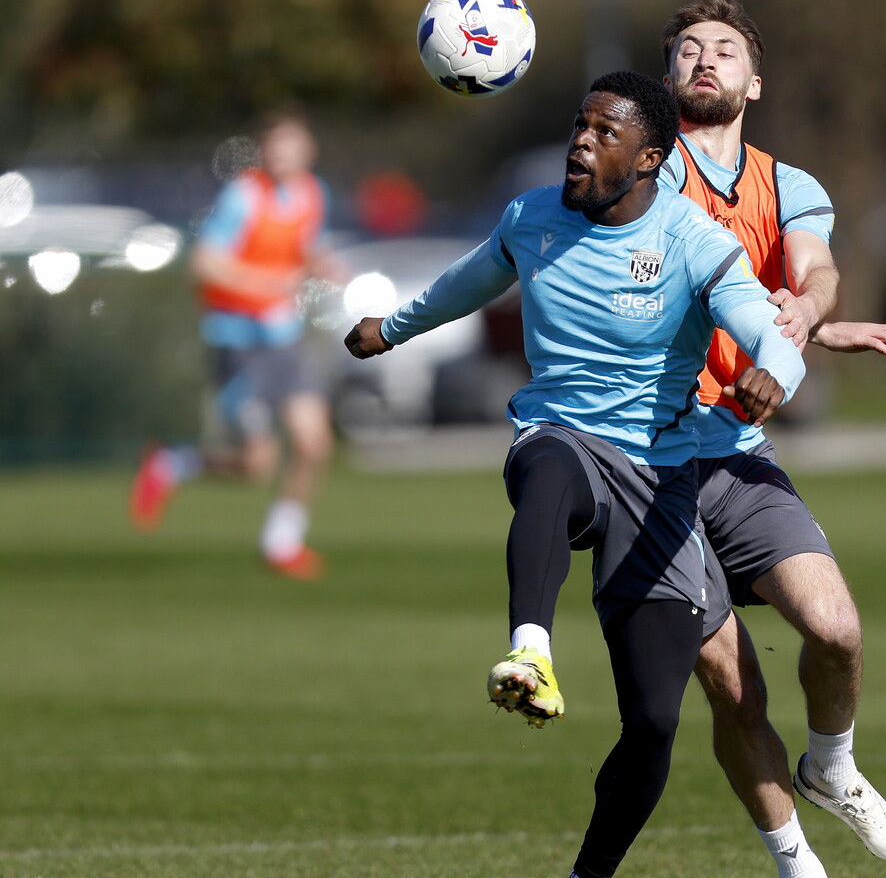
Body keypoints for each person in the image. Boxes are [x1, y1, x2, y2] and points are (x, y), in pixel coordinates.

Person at [342, 70, 807, 878]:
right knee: (548, 465)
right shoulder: (533, 218)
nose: (581, 143)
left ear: (651, 157)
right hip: (561, 437)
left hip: (660, 479)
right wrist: (393, 328)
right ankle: (529, 650)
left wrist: (775, 374)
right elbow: (469, 283)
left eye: (604, 132)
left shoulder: (693, 240)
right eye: (579, 126)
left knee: (655, 723)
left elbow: (765, 330)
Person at [659, 0, 886, 875]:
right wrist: (800, 326)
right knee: (735, 685)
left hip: (735, 451)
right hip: (646, 468)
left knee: (836, 630)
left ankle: (833, 767)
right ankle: (793, 862)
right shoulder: (647, 180)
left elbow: (815, 270)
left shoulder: (790, 186)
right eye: (689, 50)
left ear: (754, 80)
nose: (705, 60)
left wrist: (810, 312)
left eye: (724, 51)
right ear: (667, 79)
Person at [129, 107, 338, 580]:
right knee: (256, 463)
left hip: (283, 338)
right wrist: (266, 282)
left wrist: (324, 266)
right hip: (238, 341)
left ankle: (281, 543)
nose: (283, 153)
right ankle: (172, 462)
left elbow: (305, 249)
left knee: (314, 443)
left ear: (308, 148)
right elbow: (203, 264)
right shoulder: (243, 196)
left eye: (292, 143)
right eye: (274, 145)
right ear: (263, 151)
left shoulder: (312, 193)